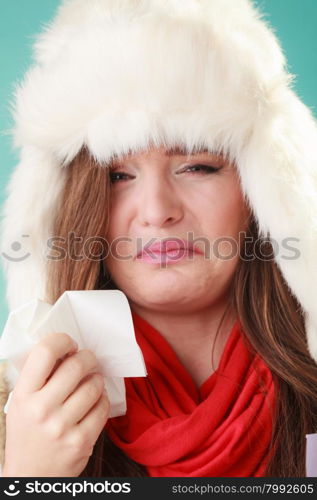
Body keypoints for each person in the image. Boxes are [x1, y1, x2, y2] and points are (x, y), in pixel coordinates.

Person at [0, 0, 317, 478]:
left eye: (198, 166)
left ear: (264, 192)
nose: (156, 212)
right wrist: (27, 478)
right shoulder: (21, 413)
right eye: (118, 176)